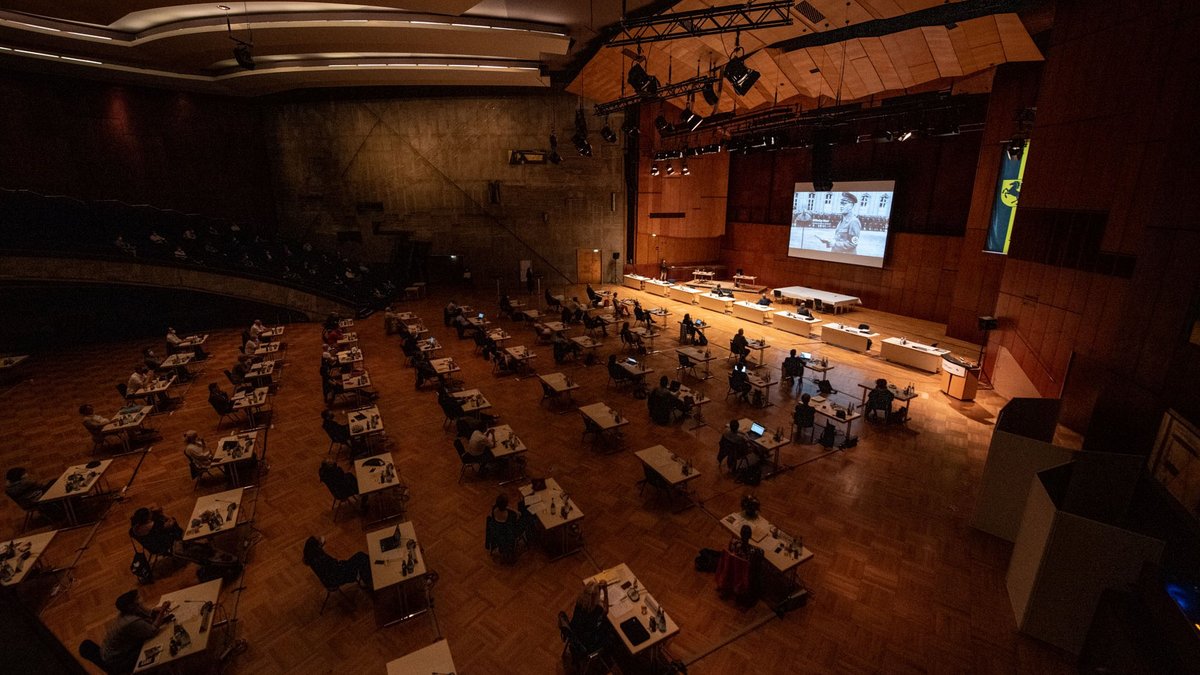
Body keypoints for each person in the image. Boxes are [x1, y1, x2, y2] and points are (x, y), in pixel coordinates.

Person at [99, 589, 173, 673]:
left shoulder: (130, 610)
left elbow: (147, 613)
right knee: (158, 648)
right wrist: (162, 612)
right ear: (131, 605)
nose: (140, 600)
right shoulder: (130, 622)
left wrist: (155, 611)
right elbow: (153, 631)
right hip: (117, 659)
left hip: (111, 651)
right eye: (137, 599)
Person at [302, 536, 372, 589]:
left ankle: (367, 579)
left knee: (360, 557)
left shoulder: (311, 559)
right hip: (339, 576)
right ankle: (369, 580)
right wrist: (345, 564)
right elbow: (335, 566)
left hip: (330, 579)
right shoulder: (322, 559)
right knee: (361, 557)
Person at [570, 581, 609, 654]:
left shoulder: (580, 601)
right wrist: (605, 591)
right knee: (608, 628)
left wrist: (598, 588)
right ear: (596, 596)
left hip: (575, 632)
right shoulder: (597, 609)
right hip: (587, 640)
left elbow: (593, 598)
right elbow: (606, 611)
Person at [485, 494, 523, 563]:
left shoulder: (494, 509)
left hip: (497, 533)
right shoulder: (511, 515)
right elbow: (519, 515)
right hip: (507, 536)